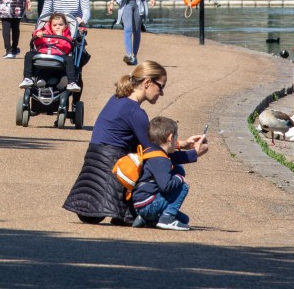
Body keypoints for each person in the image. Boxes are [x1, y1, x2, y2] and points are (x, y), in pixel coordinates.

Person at [63, 61, 208, 225]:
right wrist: (194, 154)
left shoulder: (117, 99)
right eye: (161, 86)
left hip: (97, 160)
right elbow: (155, 153)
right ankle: (150, 208)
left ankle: (135, 209)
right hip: (114, 163)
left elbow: (148, 141)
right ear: (147, 82)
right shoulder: (135, 112)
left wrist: (182, 144)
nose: (161, 93)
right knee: (171, 168)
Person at [132, 116, 192, 230]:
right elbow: (165, 186)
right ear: (170, 137)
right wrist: (179, 178)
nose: (177, 140)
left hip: (140, 204)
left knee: (184, 219)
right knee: (183, 186)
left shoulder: (150, 152)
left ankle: (148, 219)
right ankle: (167, 218)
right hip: (148, 205)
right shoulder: (161, 159)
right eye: (176, 137)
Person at [18, 12, 72, 89]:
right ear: (50, 26)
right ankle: (27, 78)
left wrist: (60, 37)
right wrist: (38, 34)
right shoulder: (45, 32)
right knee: (29, 55)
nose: (58, 27)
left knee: (70, 59)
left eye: (60, 25)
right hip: (43, 53)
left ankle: (71, 82)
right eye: (55, 25)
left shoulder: (66, 36)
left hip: (59, 55)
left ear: (65, 26)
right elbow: (36, 42)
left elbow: (68, 49)